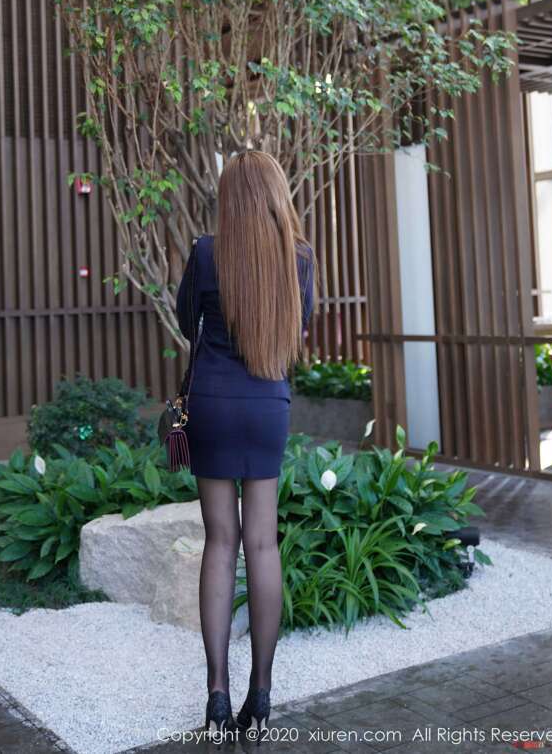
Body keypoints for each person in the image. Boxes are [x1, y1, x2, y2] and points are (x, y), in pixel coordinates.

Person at [175, 150, 317, 743]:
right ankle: (261, 693)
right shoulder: (299, 258)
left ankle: (217, 694)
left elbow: (186, 319)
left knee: (220, 541)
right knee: (262, 543)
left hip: (211, 402)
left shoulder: (206, 252)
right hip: (266, 406)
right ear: (277, 194)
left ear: (228, 197)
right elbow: (301, 326)